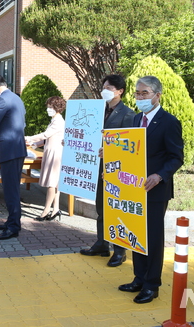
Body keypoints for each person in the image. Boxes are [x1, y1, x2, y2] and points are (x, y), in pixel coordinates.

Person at [118, 76, 183, 304]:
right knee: (136, 234)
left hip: (155, 190)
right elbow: (128, 151)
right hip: (134, 188)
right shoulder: (136, 119)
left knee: (152, 238)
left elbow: (176, 157)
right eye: (137, 93)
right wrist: (110, 154)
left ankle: (152, 284)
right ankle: (139, 278)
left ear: (157, 95)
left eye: (144, 93)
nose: (139, 97)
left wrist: (160, 175)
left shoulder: (169, 122)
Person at [80, 74, 135, 267]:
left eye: (110, 87)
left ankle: (120, 250)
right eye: (103, 86)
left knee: (117, 209)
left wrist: (111, 153)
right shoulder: (97, 112)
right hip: (98, 169)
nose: (105, 90)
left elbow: (128, 145)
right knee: (101, 207)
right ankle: (101, 243)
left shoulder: (128, 115)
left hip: (116, 171)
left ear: (120, 91)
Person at [0, 74, 27, 240]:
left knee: (10, 190)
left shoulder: (2, 100)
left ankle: (13, 227)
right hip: (17, 148)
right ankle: (12, 220)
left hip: (8, 150)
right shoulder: (16, 98)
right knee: (13, 188)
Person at [25, 96, 66, 221]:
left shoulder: (58, 121)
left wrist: (30, 138)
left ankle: (46, 210)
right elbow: (47, 138)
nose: (48, 109)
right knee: (56, 184)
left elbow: (46, 134)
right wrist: (34, 144)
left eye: (50, 107)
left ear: (57, 108)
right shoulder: (55, 120)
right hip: (52, 151)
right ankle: (56, 209)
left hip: (55, 153)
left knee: (51, 183)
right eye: (48, 107)